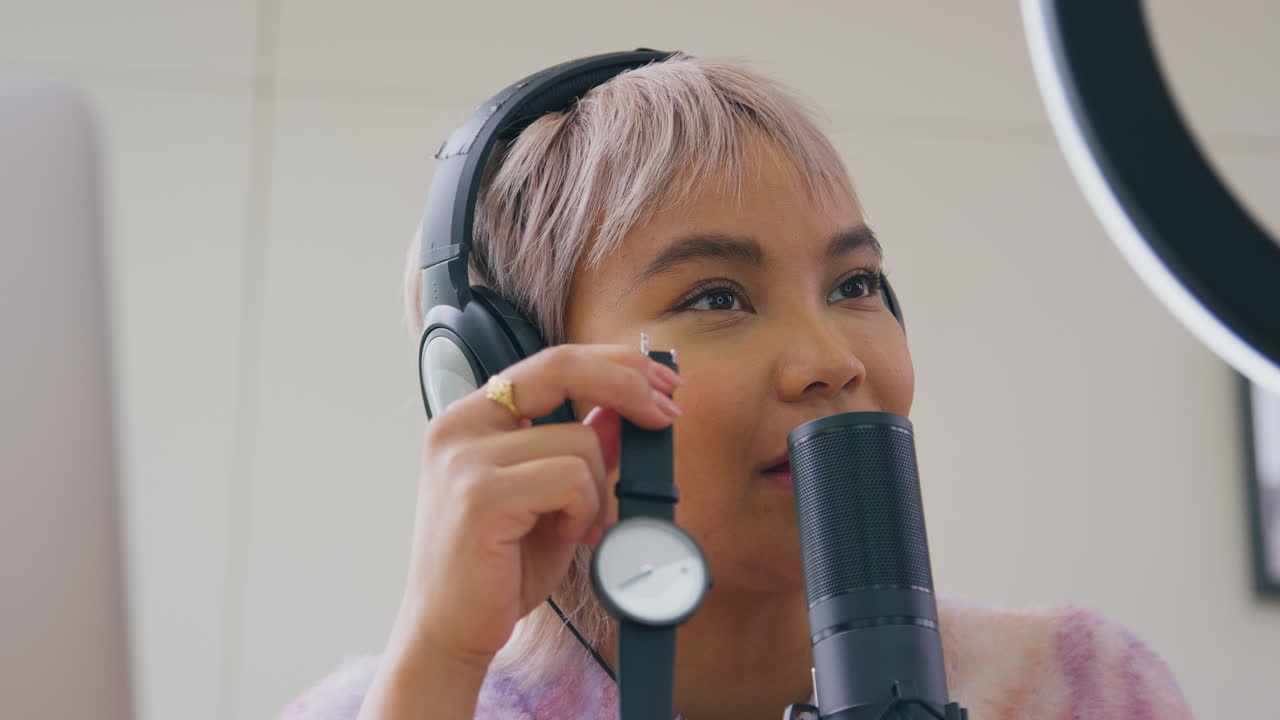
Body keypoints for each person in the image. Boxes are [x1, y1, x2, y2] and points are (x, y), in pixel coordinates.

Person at [278, 54, 1194, 720]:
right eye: (716, 295)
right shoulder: (393, 705)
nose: (832, 356)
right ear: (520, 384)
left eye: (854, 285)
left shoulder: (1087, 688)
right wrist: (437, 666)